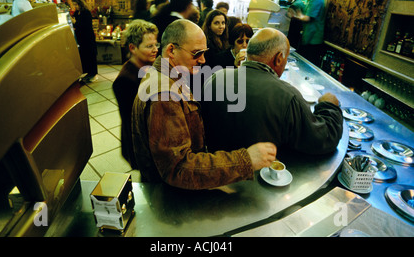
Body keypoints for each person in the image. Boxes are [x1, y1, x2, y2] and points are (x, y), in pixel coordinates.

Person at [131, 19, 277, 190]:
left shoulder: (168, 74)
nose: (202, 60)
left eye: (204, 52)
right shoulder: (165, 96)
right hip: (172, 196)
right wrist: (246, 160)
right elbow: (178, 169)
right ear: (172, 50)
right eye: (196, 53)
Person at [202, 27, 343, 157]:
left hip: (216, 169)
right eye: (286, 59)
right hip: (260, 176)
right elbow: (322, 139)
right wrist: (329, 106)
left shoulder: (215, 77)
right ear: (279, 58)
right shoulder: (287, 96)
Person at [112, 20, 158, 169]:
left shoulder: (147, 66)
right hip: (140, 146)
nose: (155, 50)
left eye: (156, 45)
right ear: (132, 48)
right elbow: (134, 123)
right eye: (149, 46)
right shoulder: (125, 80)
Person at [289, 0, 325, 65]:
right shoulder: (311, 0)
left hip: (313, 39)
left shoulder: (316, 0)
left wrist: (298, 16)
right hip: (308, 37)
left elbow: (308, 18)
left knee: (310, 63)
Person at [71, 0, 98, 82]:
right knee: (84, 55)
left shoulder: (86, 12)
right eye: (74, 4)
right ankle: (86, 72)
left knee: (90, 54)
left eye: (76, 4)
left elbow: (86, 25)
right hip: (80, 38)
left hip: (87, 37)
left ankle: (92, 73)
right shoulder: (76, 13)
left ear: (80, 4)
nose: (75, 6)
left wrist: (75, 22)